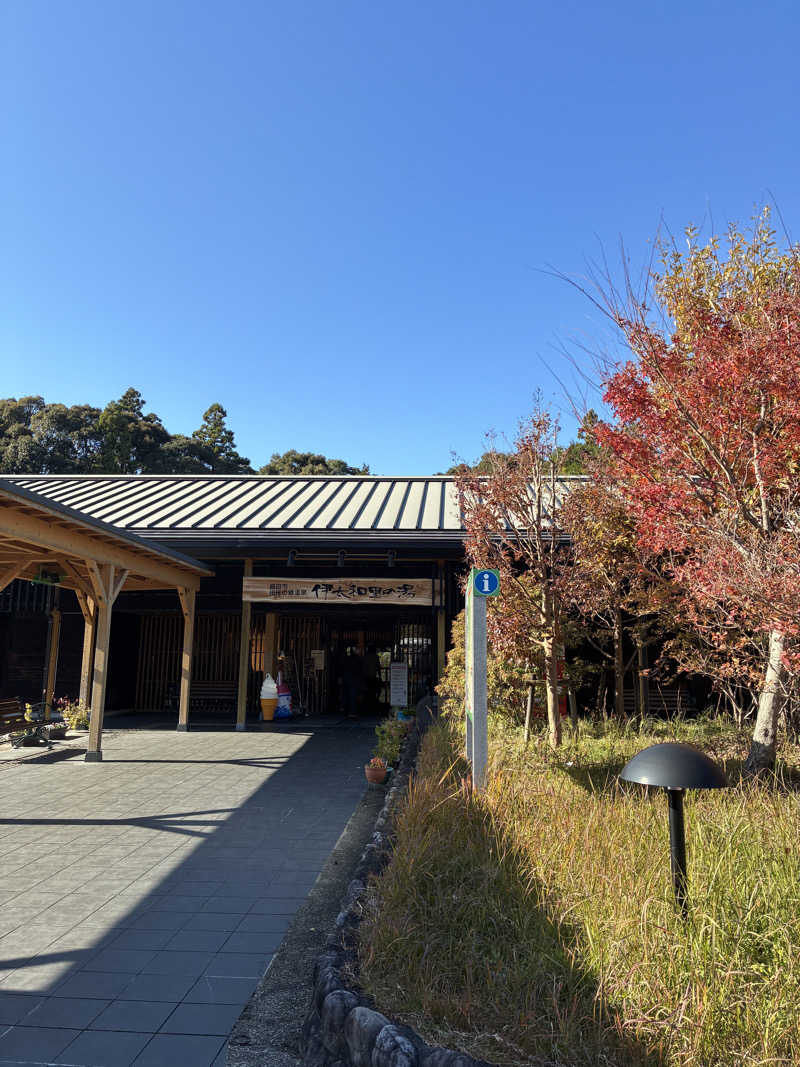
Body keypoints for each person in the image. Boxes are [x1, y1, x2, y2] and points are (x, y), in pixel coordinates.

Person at [340, 646, 363, 719]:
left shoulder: (346, 659)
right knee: (353, 696)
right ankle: (352, 712)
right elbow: (360, 671)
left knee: (346, 695)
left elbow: (342, 668)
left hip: (346, 678)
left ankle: (345, 711)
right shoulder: (358, 659)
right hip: (354, 680)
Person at [362, 644, 382, 713]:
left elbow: (362, 667)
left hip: (365, 677)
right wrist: (380, 676)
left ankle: (366, 707)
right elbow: (378, 667)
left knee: (366, 692)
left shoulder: (365, 657)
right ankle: (373, 706)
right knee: (373, 692)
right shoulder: (376, 657)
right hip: (373, 676)